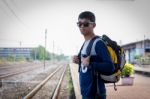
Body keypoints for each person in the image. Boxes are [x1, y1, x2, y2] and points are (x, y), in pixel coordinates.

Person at [73, 11, 115, 99]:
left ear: (94, 25)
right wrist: (78, 61)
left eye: (86, 24)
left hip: (96, 94)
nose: (82, 26)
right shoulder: (85, 43)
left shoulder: (98, 43)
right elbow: (85, 64)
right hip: (86, 92)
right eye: (79, 24)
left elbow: (110, 66)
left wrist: (90, 64)